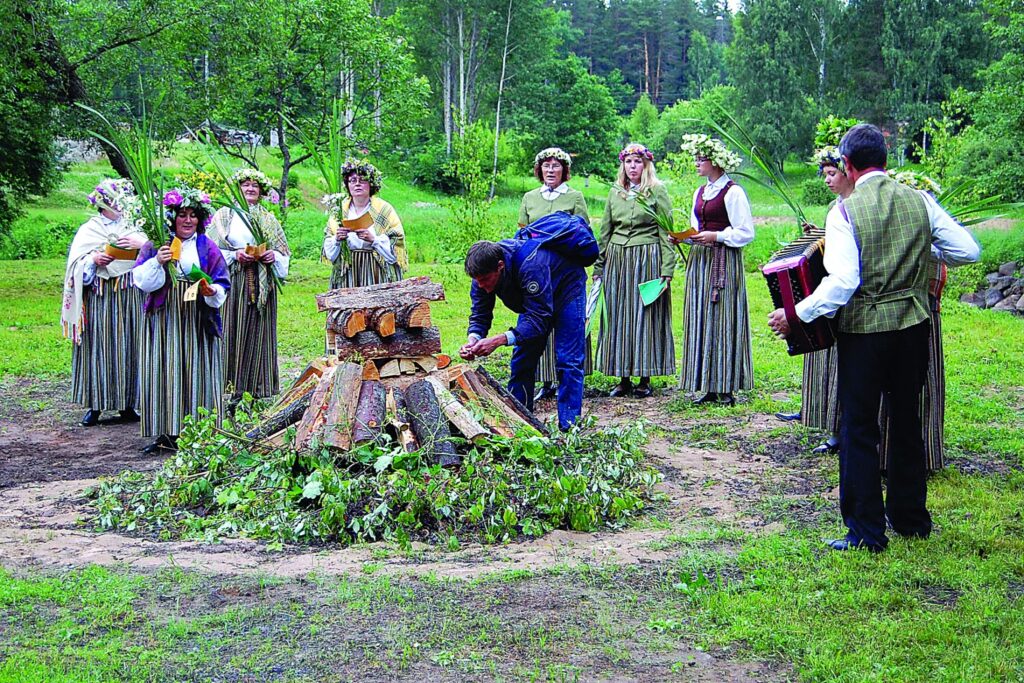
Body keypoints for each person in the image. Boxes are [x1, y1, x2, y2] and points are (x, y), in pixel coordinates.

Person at [768, 124, 980, 552]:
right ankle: (911, 519)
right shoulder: (919, 199)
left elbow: (844, 281)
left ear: (846, 164)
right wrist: (922, 252)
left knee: (859, 427)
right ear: (886, 160)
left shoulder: (844, 211)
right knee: (905, 420)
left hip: (865, 332)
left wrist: (796, 314)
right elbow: (968, 251)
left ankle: (867, 532)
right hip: (913, 328)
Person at [460, 219, 595, 430]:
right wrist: (473, 339)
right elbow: (480, 313)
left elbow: (540, 320)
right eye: (477, 280)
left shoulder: (531, 264)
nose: (481, 285)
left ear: (501, 266)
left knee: (568, 360)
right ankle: (519, 423)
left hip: (567, 291)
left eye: (485, 279)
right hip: (535, 304)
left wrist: (499, 340)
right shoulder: (482, 272)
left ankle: (570, 428)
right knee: (522, 360)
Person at [133, 187, 230, 454]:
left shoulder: (207, 246)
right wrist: (157, 261)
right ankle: (167, 431)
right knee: (165, 369)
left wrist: (212, 291)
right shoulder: (156, 245)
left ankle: (199, 429)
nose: (188, 221)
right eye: (182, 215)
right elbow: (141, 281)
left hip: (196, 319)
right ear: (171, 218)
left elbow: (222, 281)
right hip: (164, 320)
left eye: (193, 216)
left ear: (200, 219)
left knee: (194, 369)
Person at [776, 147, 854, 455]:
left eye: (832, 174)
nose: (827, 180)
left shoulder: (854, 204)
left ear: (847, 171)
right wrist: (818, 234)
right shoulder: (838, 205)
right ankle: (817, 411)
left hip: (845, 297)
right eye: (824, 175)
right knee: (820, 355)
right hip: (826, 289)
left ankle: (838, 428)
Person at [593, 143, 676, 398]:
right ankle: (622, 377)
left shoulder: (657, 191)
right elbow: (605, 231)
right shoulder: (615, 192)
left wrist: (667, 269)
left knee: (644, 316)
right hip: (618, 261)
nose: (632, 167)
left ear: (646, 164)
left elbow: (666, 231)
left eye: (637, 162)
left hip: (646, 258)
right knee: (619, 316)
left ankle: (645, 376)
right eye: (628, 162)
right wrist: (599, 266)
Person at [61, 179, 146, 427]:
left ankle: (128, 404)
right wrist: (94, 260)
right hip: (101, 295)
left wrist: (140, 249)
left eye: (118, 198)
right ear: (100, 202)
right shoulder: (90, 229)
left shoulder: (135, 227)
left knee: (131, 345)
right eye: (109, 198)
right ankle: (96, 404)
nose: (114, 203)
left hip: (130, 293)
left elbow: (151, 254)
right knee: (100, 346)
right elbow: (75, 264)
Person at [677, 134, 754, 406]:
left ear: (717, 162)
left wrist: (716, 236)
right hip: (701, 262)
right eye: (696, 158)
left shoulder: (733, 192)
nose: (697, 163)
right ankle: (707, 383)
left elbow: (746, 233)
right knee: (703, 316)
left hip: (724, 261)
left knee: (723, 317)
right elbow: (697, 227)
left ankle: (726, 386)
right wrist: (685, 237)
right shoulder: (701, 192)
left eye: (702, 158)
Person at [518, 146, 591, 402]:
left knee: (568, 330)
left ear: (564, 170)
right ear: (540, 170)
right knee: (537, 327)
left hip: (566, 272)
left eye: (556, 166)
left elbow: (584, 234)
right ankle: (545, 381)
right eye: (546, 166)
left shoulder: (574, 197)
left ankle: (566, 389)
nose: (551, 170)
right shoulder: (529, 198)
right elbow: (522, 235)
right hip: (536, 275)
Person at [211, 168, 290, 400]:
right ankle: (228, 387)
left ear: (261, 191)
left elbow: (283, 251)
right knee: (231, 328)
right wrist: (234, 255)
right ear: (238, 188)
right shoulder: (224, 216)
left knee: (258, 330)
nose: (250, 188)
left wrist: (272, 256)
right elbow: (211, 250)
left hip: (261, 281)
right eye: (245, 184)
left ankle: (255, 388)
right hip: (233, 280)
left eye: (255, 185)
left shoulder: (268, 219)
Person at [322, 159, 407, 289]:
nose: (357, 184)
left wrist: (374, 239)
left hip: (376, 269)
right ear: (347, 185)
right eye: (352, 180)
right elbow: (329, 249)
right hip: (348, 271)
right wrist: (337, 239)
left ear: (371, 184)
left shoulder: (383, 209)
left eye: (362, 180)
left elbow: (397, 243)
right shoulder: (339, 210)